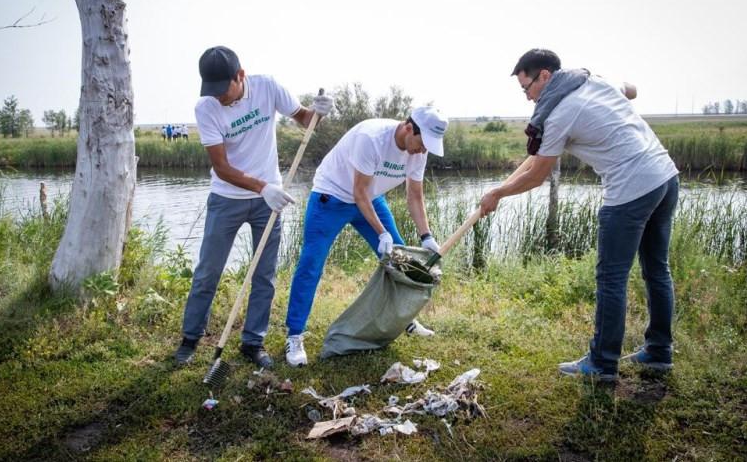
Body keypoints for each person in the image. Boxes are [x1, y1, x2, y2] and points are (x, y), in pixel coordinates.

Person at [478, 48, 679, 381]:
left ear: (544, 75)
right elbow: (632, 90)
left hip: (630, 189)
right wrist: (498, 190)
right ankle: (659, 352)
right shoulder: (592, 81)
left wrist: (498, 193)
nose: (527, 98)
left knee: (611, 278)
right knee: (657, 270)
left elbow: (537, 174)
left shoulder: (559, 114)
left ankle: (602, 363)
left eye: (527, 88)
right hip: (665, 177)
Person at [175, 45, 333, 368]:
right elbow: (222, 168)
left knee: (265, 274)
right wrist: (263, 188)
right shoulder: (206, 108)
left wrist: (319, 111)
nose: (220, 98)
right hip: (227, 199)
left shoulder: (267, 87)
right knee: (208, 271)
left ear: (241, 76)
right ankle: (190, 338)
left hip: (267, 203)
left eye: (224, 90)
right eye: (213, 91)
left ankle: (253, 343)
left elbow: (304, 119)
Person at [283, 106, 449, 366]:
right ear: (408, 128)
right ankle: (294, 335)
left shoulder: (418, 152)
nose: (423, 150)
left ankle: (403, 319)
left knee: (400, 259)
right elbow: (357, 191)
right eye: (423, 143)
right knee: (311, 265)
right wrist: (381, 233)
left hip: (370, 199)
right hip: (332, 196)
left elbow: (414, 195)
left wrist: (426, 235)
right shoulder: (371, 138)